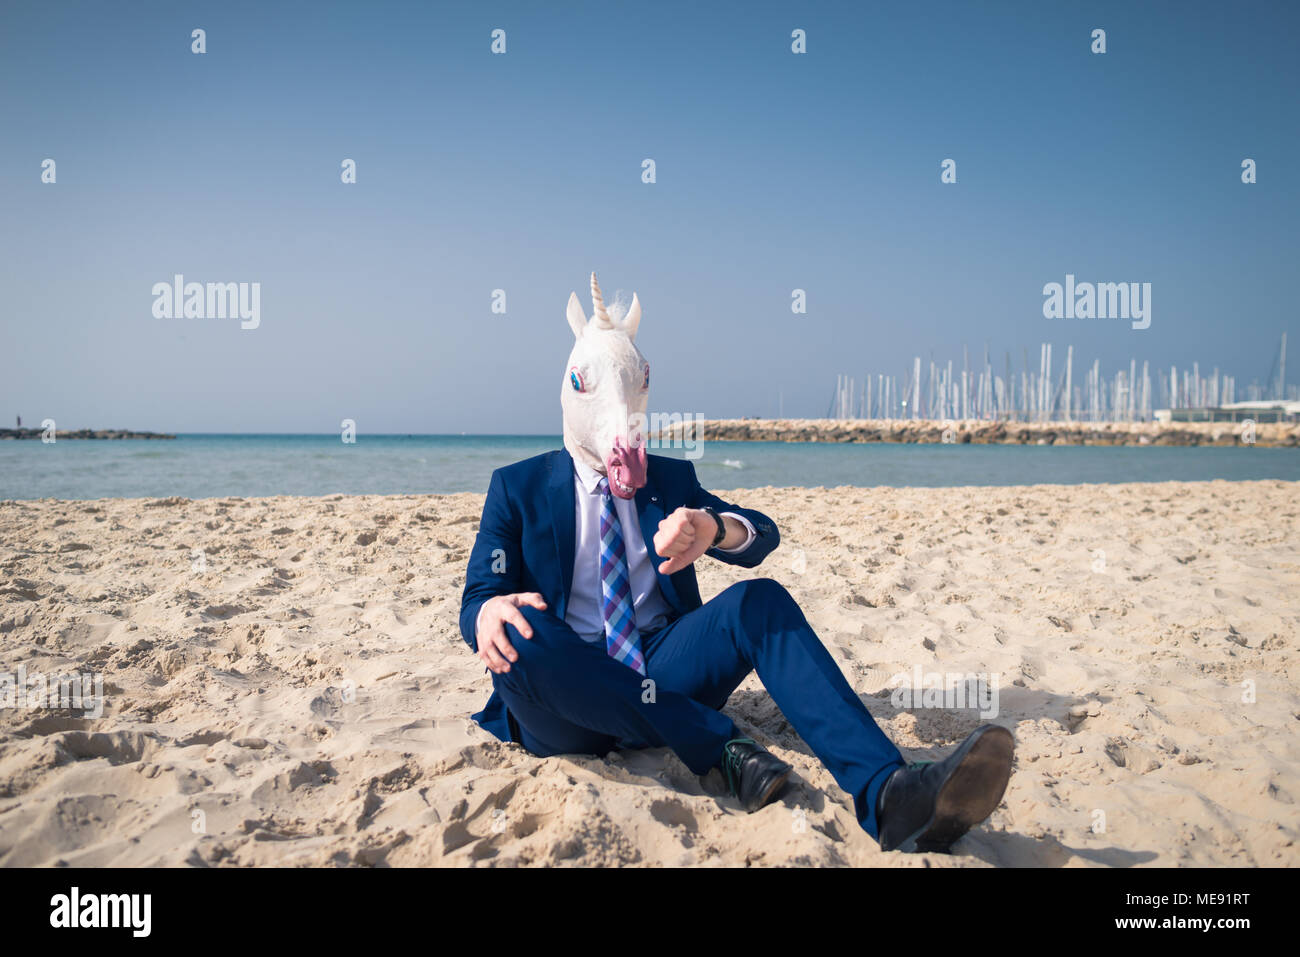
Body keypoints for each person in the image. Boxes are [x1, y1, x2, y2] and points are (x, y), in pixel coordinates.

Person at [459, 275, 1014, 852]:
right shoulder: (517, 487)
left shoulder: (672, 480)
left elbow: (762, 537)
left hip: (660, 667)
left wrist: (713, 528)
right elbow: (478, 596)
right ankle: (712, 744)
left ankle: (888, 793)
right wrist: (487, 612)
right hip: (564, 701)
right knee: (517, 632)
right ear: (566, 391)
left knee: (761, 601)